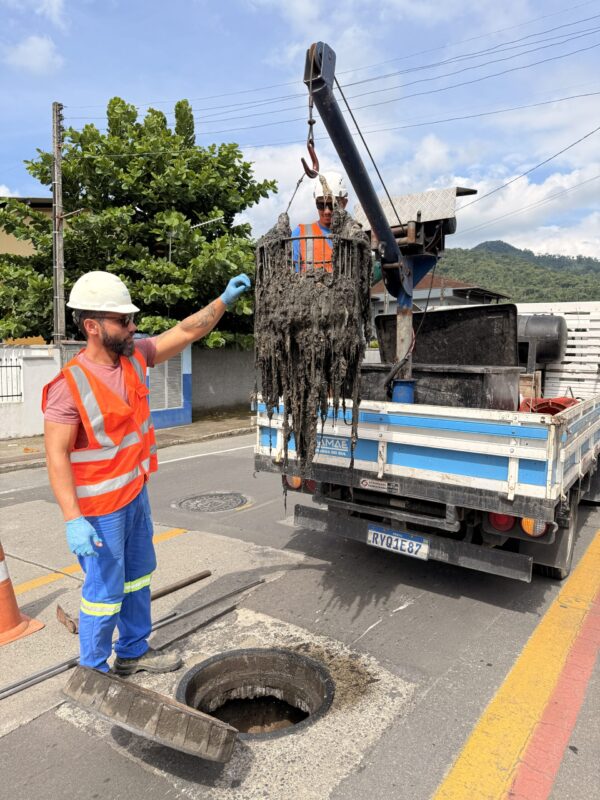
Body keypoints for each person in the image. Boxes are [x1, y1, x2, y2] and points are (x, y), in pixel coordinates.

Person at [42, 269, 250, 675]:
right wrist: (72, 519)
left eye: (131, 319)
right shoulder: (70, 385)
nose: (133, 327)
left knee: (137, 578)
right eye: (123, 320)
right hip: (100, 512)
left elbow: (185, 332)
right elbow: (55, 455)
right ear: (93, 326)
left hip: (135, 495)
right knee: (104, 593)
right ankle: (93, 670)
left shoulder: (134, 357)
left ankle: (133, 651)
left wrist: (223, 300)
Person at [292, 170, 349, 272]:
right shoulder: (300, 234)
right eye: (321, 205)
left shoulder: (352, 236)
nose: (327, 211)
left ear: (344, 203)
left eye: (332, 205)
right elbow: (291, 273)